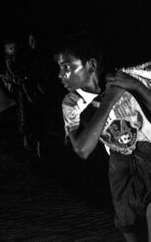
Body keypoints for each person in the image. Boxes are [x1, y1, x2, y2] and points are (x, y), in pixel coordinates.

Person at [55, 32, 151, 241]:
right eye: (59, 68)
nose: (60, 74)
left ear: (90, 64)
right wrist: (108, 101)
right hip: (119, 160)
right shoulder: (71, 103)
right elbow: (82, 149)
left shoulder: (127, 79)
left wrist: (138, 87)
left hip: (148, 153)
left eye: (66, 67)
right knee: (126, 223)